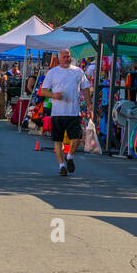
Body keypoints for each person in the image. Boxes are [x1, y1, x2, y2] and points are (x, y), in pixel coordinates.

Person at [39, 49, 91, 177]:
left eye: (68, 57)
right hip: (57, 113)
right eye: (64, 57)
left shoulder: (78, 71)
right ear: (59, 59)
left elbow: (85, 88)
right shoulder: (53, 72)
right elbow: (43, 91)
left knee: (77, 139)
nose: (67, 59)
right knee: (58, 140)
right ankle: (61, 166)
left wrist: (89, 105)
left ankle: (70, 156)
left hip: (73, 112)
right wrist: (53, 95)